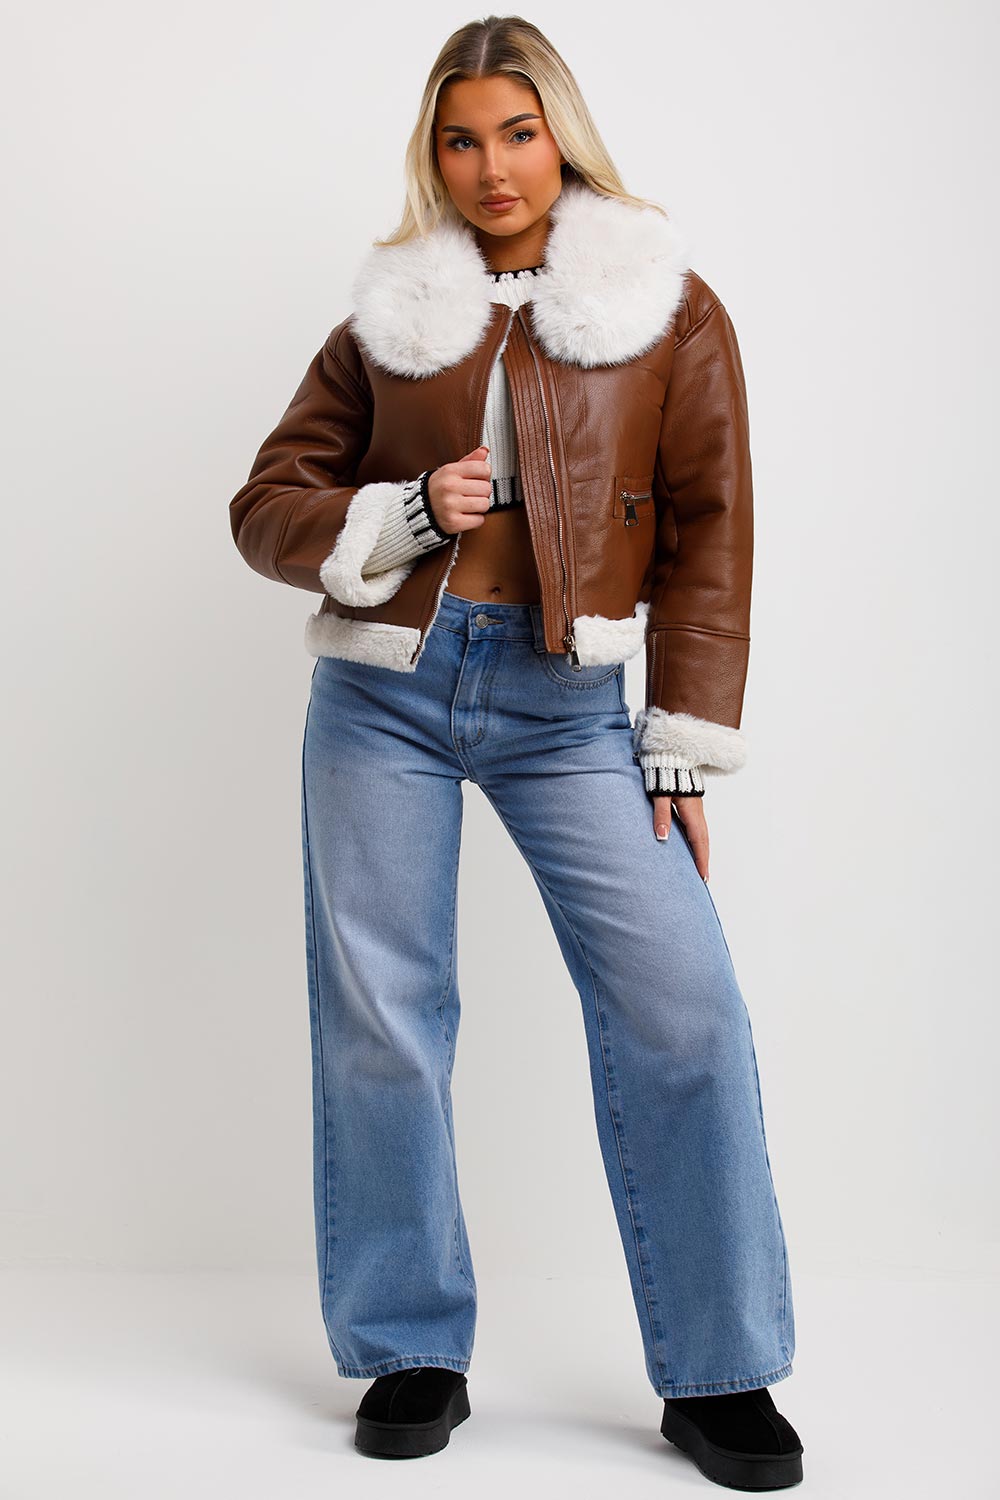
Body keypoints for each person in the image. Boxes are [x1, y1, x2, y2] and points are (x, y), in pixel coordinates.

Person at [229, 14, 804, 1490]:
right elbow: (267, 503)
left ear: (564, 134)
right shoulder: (393, 314)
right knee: (384, 1019)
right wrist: (405, 514)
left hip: (568, 708)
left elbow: (713, 529)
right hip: (386, 696)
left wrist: (679, 745)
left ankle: (720, 1368)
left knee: (685, 1008)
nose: (492, 168)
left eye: (519, 133)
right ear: (434, 156)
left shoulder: (664, 307)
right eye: (461, 140)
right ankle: (410, 1346)